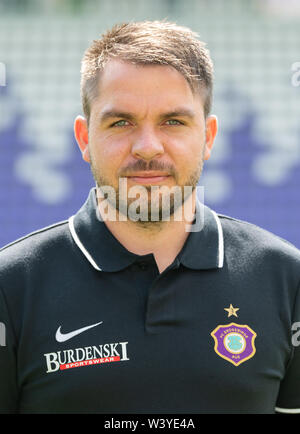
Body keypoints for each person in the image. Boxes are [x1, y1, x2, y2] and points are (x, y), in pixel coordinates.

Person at [0, 20, 300, 415]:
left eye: (173, 121)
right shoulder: (11, 286)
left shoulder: (285, 278)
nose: (147, 147)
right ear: (84, 138)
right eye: (120, 122)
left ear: (208, 137)